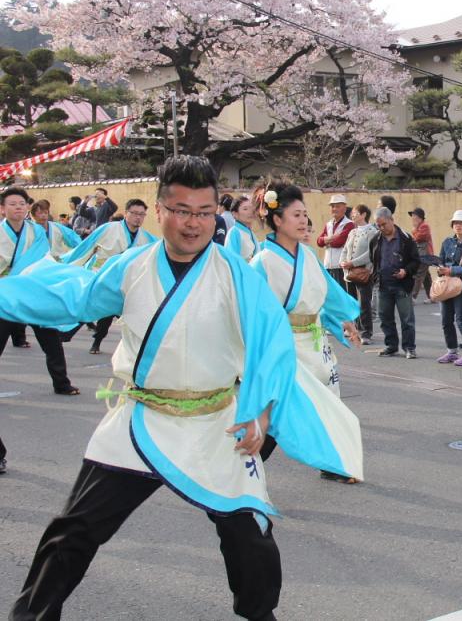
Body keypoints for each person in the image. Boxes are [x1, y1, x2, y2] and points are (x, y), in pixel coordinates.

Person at [1, 155, 365, 621]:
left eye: (204, 212)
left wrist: (260, 411)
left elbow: (270, 345)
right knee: (74, 529)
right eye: (181, 210)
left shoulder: (237, 275)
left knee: (250, 537)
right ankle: (30, 616)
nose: (193, 223)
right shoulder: (131, 266)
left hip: (218, 420)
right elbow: (77, 296)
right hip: (141, 418)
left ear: (217, 213)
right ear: (159, 211)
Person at [250, 182, 363, 483]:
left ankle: (332, 462)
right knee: (280, 411)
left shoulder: (308, 255)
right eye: (296, 215)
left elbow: (325, 291)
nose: (303, 221)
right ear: (277, 220)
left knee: (328, 403)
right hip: (284, 346)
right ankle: (242, 469)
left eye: (305, 215)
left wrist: (344, 319)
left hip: (314, 341)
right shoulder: (263, 262)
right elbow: (251, 313)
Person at [0, 187, 80, 397]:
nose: (18, 208)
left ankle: (62, 384)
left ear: (27, 207)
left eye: (21, 204)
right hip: (6, 297)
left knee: (51, 341)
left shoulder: (36, 231)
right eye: (12, 204)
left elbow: (41, 261)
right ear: (2, 209)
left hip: (34, 292)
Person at [63, 199, 159, 355]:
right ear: (126, 213)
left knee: (126, 314)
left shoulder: (146, 238)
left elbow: (162, 251)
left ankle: (130, 347)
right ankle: (69, 332)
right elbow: (86, 247)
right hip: (102, 275)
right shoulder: (108, 228)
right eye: (134, 213)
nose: (138, 217)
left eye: (142, 214)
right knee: (92, 307)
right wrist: (69, 264)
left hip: (125, 282)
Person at [368, 207, 420, 358]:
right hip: (383, 284)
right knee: (385, 317)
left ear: (392, 220)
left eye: (384, 224)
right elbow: (374, 259)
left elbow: (416, 261)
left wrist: (405, 271)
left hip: (402, 285)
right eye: (379, 225)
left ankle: (409, 348)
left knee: (407, 319)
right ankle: (391, 345)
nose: (382, 228)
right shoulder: (376, 239)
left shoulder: (406, 238)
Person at [436, 210, 462, 366]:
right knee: (446, 320)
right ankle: (451, 351)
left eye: (461, 223)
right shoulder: (447, 242)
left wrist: (452, 270)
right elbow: (441, 259)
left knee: (461, 319)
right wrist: (440, 268)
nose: (458, 226)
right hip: (447, 285)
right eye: (455, 223)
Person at [340, 204, 377, 345]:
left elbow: (370, 254)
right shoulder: (352, 232)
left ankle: (366, 332)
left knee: (364, 303)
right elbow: (345, 249)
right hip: (349, 272)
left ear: (363, 215)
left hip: (363, 272)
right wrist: (343, 262)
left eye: (355, 213)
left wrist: (353, 263)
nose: (352, 215)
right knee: (352, 302)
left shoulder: (372, 232)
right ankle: (354, 329)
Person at [317, 194, 355, 290]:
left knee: (342, 293)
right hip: (328, 265)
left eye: (338, 206)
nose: (334, 209)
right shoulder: (329, 224)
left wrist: (326, 240)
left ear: (344, 209)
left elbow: (339, 242)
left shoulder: (349, 224)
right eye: (332, 206)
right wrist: (331, 238)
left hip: (340, 266)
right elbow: (319, 241)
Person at [408, 207, 434, 302]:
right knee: (426, 276)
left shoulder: (424, 226)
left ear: (420, 217)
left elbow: (418, 238)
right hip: (422, 253)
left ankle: (413, 297)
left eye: (414, 215)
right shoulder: (419, 226)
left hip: (425, 254)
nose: (412, 218)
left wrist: (414, 229)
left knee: (419, 274)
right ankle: (432, 296)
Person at [224, 195, 259, 262]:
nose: (250, 212)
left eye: (251, 208)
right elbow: (231, 259)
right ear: (235, 214)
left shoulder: (250, 232)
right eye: (245, 209)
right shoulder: (234, 232)